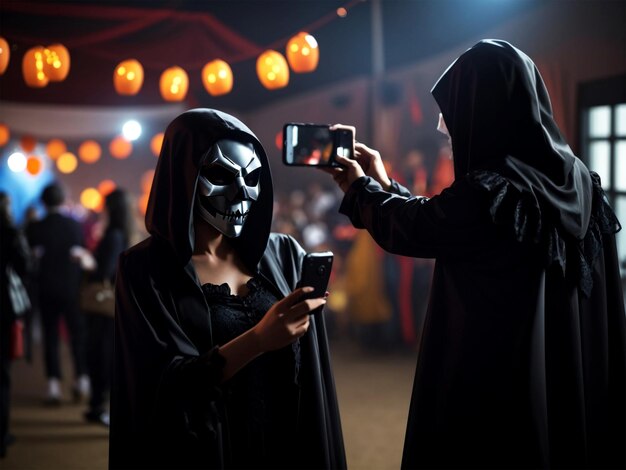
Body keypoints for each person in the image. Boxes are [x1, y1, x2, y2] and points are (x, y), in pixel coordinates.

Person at [325, 39, 626, 469]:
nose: (445, 129)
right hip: (565, 374)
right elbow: (445, 222)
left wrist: (358, 189)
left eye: (452, 114)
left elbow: (421, 228)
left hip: (501, 385)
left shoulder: (494, 189)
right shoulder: (580, 179)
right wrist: (385, 185)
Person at [110, 109, 346, 469]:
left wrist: (368, 188)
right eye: (222, 175)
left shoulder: (283, 254)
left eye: (252, 177)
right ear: (184, 176)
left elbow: (309, 376)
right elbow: (158, 386)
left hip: (283, 444)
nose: (242, 193)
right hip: (207, 453)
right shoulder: (145, 269)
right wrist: (258, 339)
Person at [26, 182, 90, 405]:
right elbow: (81, 253)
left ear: (43, 202)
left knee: (50, 337)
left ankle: (53, 385)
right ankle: (81, 379)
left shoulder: (35, 227)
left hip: (45, 289)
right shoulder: (74, 225)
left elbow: (30, 260)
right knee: (77, 336)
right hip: (71, 289)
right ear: (63, 199)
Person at [79, 189, 135, 427]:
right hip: (114, 302)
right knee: (105, 354)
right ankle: (99, 405)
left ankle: (100, 405)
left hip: (104, 303)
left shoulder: (112, 235)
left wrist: (87, 261)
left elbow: (106, 270)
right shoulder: (125, 232)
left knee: (100, 354)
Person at [0, 192, 33, 458]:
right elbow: (25, 266)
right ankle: (1, 435)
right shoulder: (11, 232)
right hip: (4, 307)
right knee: (2, 373)